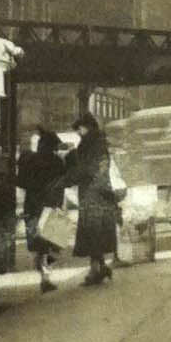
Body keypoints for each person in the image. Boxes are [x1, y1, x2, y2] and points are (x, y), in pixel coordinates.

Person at [61, 111, 120, 285]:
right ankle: (99, 268)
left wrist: (70, 178)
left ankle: (96, 271)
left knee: (92, 233)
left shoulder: (92, 144)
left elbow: (87, 168)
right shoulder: (94, 143)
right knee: (95, 235)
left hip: (93, 194)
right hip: (96, 193)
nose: (78, 133)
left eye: (79, 129)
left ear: (87, 128)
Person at [18, 128, 65, 292]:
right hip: (51, 207)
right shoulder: (57, 162)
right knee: (53, 245)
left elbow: (21, 182)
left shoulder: (29, 161)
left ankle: (42, 275)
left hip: (32, 206)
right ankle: (46, 276)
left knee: (38, 246)